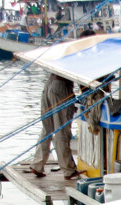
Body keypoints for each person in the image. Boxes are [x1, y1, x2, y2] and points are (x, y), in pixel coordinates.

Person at [29, 29, 95, 180]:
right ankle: (68, 169)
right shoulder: (81, 51)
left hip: (48, 86)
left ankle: (37, 164)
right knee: (61, 129)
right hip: (61, 88)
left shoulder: (69, 47)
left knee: (47, 128)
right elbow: (81, 77)